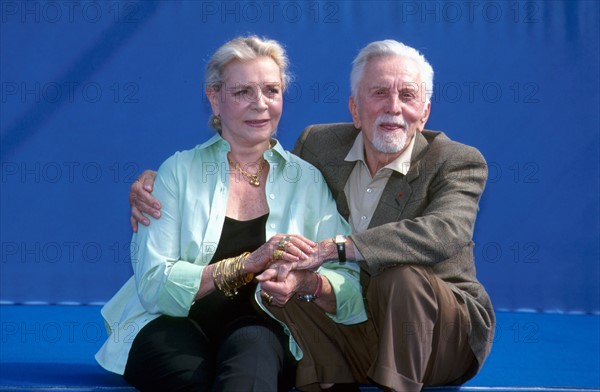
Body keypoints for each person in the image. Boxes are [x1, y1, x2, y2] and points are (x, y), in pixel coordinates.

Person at [130, 39, 495, 392]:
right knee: (286, 293)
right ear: (354, 108)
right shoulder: (318, 147)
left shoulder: (456, 161)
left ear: (426, 111)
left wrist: (335, 249)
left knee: (398, 279)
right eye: (379, 92)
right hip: (359, 326)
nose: (394, 107)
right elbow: (253, 157)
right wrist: (158, 182)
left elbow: (445, 232)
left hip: (437, 334)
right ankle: (330, 376)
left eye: (408, 95)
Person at [96, 35, 366, 392]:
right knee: (190, 382)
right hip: (169, 322)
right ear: (214, 98)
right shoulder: (177, 172)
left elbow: (349, 283)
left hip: (263, 325)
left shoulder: (306, 179)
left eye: (272, 90)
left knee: (248, 375)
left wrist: (308, 283)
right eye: (242, 92)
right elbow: (154, 286)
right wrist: (248, 263)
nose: (260, 105)